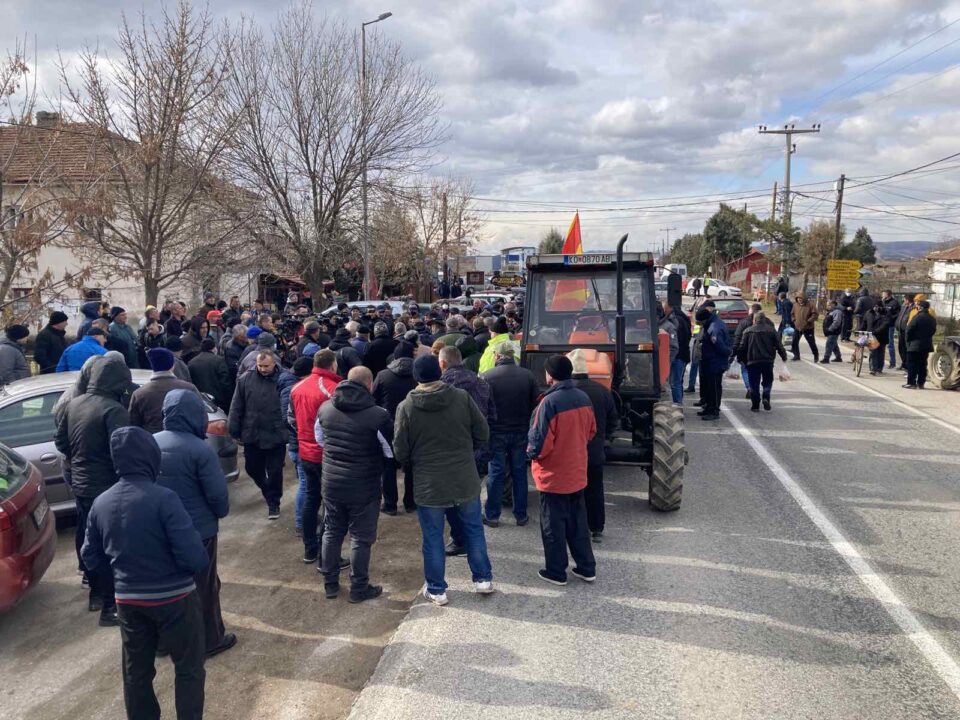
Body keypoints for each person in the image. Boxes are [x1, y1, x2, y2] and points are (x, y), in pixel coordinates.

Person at [81, 426, 209, 720]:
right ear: (150, 456)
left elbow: (90, 557)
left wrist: (120, 575)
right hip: (175, 598)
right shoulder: (165, 498)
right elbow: (194, 556)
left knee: (136, 672)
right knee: (188, 668)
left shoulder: (101, 504)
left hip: (129, 601)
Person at [393, 355, 493, 606]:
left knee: (433, 537)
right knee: (473, 529)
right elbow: (483, 432)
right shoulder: (461, 397)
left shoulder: (407, 407)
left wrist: (413, 464)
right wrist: (466, 452)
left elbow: (400, 449)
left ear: (416, 378)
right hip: (464, 477)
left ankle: (437, 589)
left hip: (429, 483)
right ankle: (483, 579)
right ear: (439, 371)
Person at [154, 390, 235, 658]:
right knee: (204, 587)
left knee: (165, 588)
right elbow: (217, 495)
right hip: (199, 532)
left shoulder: (151, 443)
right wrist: (220, 513)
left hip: (161, 532)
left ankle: (166, 642)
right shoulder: (201, 449)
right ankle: (210, 640)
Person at [54, 354, 132, 626]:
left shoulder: (74, 404)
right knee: (114, 546)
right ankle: (111, 606)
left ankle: (97, 594)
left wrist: (81, 459)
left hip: (82, 485)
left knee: (91, 541)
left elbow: (61, 443)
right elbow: (123, 451)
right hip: (108, 487)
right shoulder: (114, 410)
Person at [314, 367, 393, 602]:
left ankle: (330, 584)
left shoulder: (325, 408)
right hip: (364, 485)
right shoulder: (378, 415)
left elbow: (320, 439)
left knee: (332, 530)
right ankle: (359, 588)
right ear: (369, 385)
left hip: (331, 482)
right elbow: (389, 451)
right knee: (360, 538)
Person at [527, 355, 597, 586]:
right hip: (577, 471)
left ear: (550, 375)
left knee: (553, 526)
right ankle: (586, 567)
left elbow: (540, 442)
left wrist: (531, 454)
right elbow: (591, 431)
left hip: (554, 476)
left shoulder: (549, 403)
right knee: (578, 523)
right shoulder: (583, 398)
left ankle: (556, 571)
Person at [439, 345, 496, 555]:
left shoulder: (440, 387)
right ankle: (472, 539)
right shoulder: (482, 383)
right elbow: (492, 416)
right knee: (471, 496)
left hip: (452, 452)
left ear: (443, 363)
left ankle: (460, 539)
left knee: (453, 500)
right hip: (479, 450)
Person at [287, 349, 342, 560]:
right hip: (327, 455)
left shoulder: (296, 387)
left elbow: (290, 419)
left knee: (311, 500)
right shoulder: (333, 389)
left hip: (305, 452)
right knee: (331, 504)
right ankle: (327, 553)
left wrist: (304, 436)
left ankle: (310, 549)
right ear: (333, 365)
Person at [481, 342, 538, 527]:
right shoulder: (528, 376)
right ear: (513, 355)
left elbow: (484, 407)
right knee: (519, 472)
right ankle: (520, 515)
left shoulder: (487, 377)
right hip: (520, 430)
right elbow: (534, 405)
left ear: (497, 356)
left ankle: (492, 515)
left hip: (496, 431)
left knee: (496, 472)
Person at [229, 352, 289, 519]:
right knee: (252, 468)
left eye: (266, 366)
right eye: (260, 366)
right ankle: (267, 489)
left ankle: (273, 503)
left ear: (274, 364)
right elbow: (237, 405)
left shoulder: (284, 378)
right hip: (252, 432)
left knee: (275, 471)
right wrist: (233, 427)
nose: (262, 369)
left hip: (276, 432)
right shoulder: (245, 380)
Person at [567, 349, 618, 542]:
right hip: (595, 450)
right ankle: (596, 528)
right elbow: (614, 419)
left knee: (573, 490)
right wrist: (604, 437)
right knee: (595, 488)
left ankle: (576, 529)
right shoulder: (602, 391)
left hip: (571, 452)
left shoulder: (565, 392)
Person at [372, 341, 417, 515]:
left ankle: (390, 504)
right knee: (412, 465)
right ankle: (411, 502)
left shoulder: (383, 375)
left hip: (388, 424)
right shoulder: (417, 373)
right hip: (413, 424)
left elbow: (372, 399)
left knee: (388, 465)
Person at [129, 348, 200, 434]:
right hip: (185, 438)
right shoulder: (189, 388)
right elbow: (200, 416)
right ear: (172, 365)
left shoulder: (139, 394)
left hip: (152, 442)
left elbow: (133, 425)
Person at [281, 357, 312, 537]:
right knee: (305, 485)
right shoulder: (292, 390)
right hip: (299, 444)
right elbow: (288, 419)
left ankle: (305, 518)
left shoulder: (291, 387)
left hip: (298, 443)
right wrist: (305, 431)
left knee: (306, 485)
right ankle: (301, 522)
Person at [737, 311, 787, 412]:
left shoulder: (747, 331)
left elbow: (742, 347)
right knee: (767, 381)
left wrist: (740, 359)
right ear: (764, 320)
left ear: (754, 320)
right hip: (768, 361)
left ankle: (755, 405)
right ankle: (766, 397)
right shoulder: (771, 330)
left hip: (752, 361)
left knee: (754, 384)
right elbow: (779, 345)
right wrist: (784, 356)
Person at [695, 304, 730, 421]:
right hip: (710, 361)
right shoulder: (712, 323)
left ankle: (714, 410)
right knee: (710, 387)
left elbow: (720, 346)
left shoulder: (713, 328)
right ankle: (709, 408)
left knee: (714, 387)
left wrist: (728, 354)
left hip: (715, 362)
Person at [188, 338, 233, 412]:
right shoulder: (219, 360)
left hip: (200, 400)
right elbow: (225, 382)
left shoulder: (191, 362)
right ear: (213, 348)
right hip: (218, 402)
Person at [730, 303, 761, 398]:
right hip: (760, 352)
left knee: (745, 370)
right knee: (757, 372)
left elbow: (738, 337)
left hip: (746, 351)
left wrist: (734, 352)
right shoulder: (768, 322)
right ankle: (754, 388)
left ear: (750, 311)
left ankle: (750, 388)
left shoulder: (744, 322)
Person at [904, 300, 937, 390]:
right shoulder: (932, 319)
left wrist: (908, 340)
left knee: (912, 364)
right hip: (926, 344)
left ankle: (911, 382)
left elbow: (909, 329)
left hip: (914, 344)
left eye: (918, 306)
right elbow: (933, 331)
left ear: (920, 307)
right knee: (922, 364)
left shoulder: (917, 317)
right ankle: (921, 383)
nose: (917, 307)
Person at [666, 301, 691, 406]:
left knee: (675, 382)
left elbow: (677, 340)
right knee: (678, 381)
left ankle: (677, 404)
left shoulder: (676, 321)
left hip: (678, 355)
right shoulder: (683, 319)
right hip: (683, 354)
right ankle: (679, 401)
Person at [790, 293, 819, 362]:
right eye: (798, 299)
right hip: (798, 327)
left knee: (811, 343)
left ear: (804, 299)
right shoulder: (795, 305)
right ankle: (796, 356)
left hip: (808, 328)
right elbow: (792, 314)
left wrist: (809, 321)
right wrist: (794, 320)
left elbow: (815, 314)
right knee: (794, 342)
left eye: (801, 299)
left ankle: (816, 355)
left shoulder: (810, 305)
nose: (800, 300)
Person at [864, 301, 890, 376]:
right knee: (873, 352)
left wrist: (876, 331)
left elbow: (885, 324)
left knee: (880, 353)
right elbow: (864, 323)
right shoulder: (869, 313)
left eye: (878, 306)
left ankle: (879, 368)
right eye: (874, 306)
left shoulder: (886, 314)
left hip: (882, 336)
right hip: (872, 336)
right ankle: (873, 368)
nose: (876, 308)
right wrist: (860, 330)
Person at [896, 293, 916, 372]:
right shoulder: (904, 307)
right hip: (901, 331)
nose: (903, 300)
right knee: (901, 348)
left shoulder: (913, 308)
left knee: (906, 349)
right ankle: (904, 363)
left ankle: (908, 365)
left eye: (904, 299)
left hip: (907, 331)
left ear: (908, 300)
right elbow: (900, 316)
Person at [881, 290, 901, 370]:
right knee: (881, 343)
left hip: (890, 325)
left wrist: (890, 318)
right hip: (881, 325)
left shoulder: (894, 302)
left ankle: (892, 363)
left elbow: (897, 313)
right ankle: (880, 362)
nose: (882, 295)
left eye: (883, 294)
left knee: (890, 344)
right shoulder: (882, 302)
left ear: (887, 294)